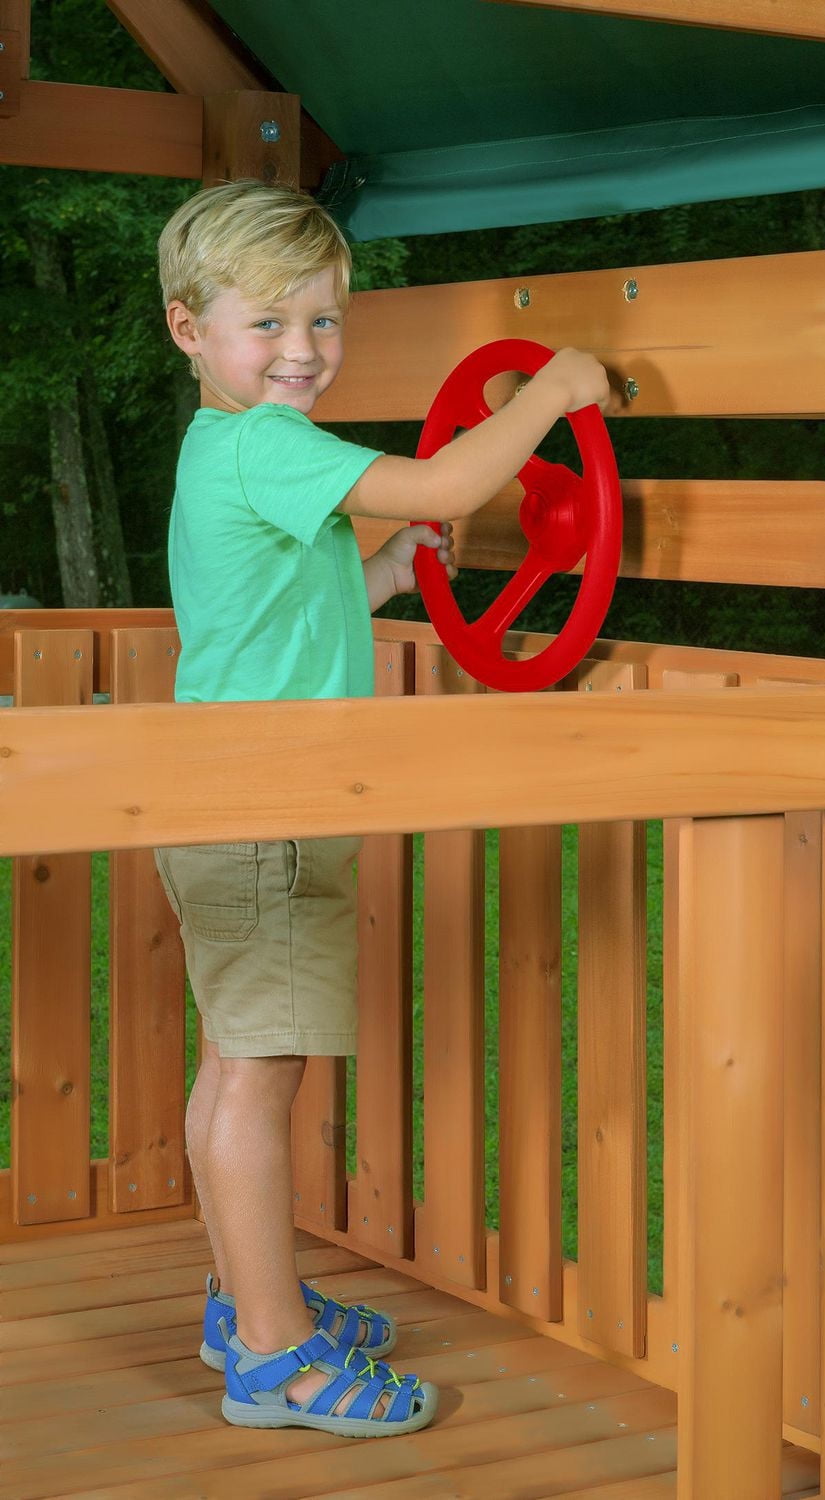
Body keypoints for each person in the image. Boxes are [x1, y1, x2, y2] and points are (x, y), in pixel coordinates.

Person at [154, 178, 610, 1439]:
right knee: (259, 1073)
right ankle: (275, 1358)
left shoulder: (224, 447)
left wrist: (389, 569)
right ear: (190, 329)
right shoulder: (267, 443)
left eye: (325, 321)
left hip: (226, 798)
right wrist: (550, 393)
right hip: (265, 811)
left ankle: (242, 1303)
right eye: (269, 324)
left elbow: (291, 607)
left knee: (235, 1067)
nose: (302, 350)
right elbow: (455, 482)